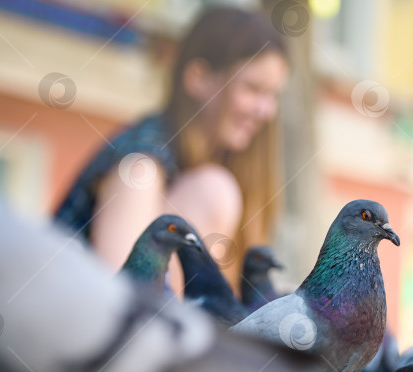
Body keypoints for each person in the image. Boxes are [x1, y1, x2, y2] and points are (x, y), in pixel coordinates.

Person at [55, 6, 289, 289]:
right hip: (68, 320)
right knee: (214, 191)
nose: (266, 111)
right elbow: (120, 301)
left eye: (272, 95)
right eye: (253, 89)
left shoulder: (219, 163)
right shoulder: (140, 166)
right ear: (199, 78)